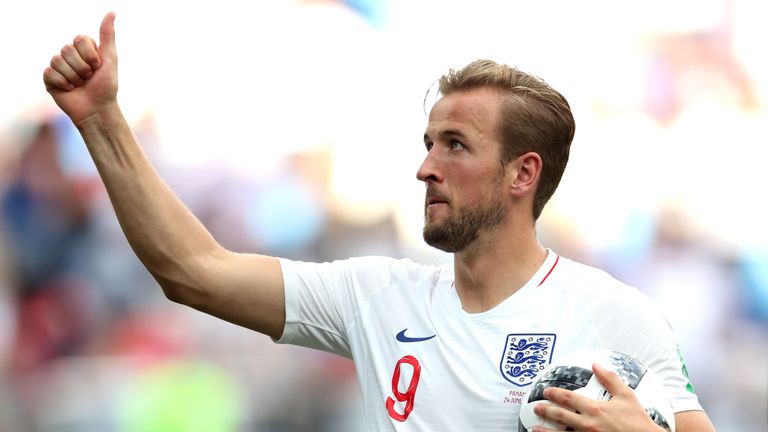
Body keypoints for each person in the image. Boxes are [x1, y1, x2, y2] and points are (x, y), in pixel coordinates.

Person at [43, 13, 716, 432]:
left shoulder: (614, 314)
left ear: (523, 174)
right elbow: (194, 271)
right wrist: (100, 119)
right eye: (428, 143)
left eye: (455, 145)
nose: (425, 167)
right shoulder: (376, 297)